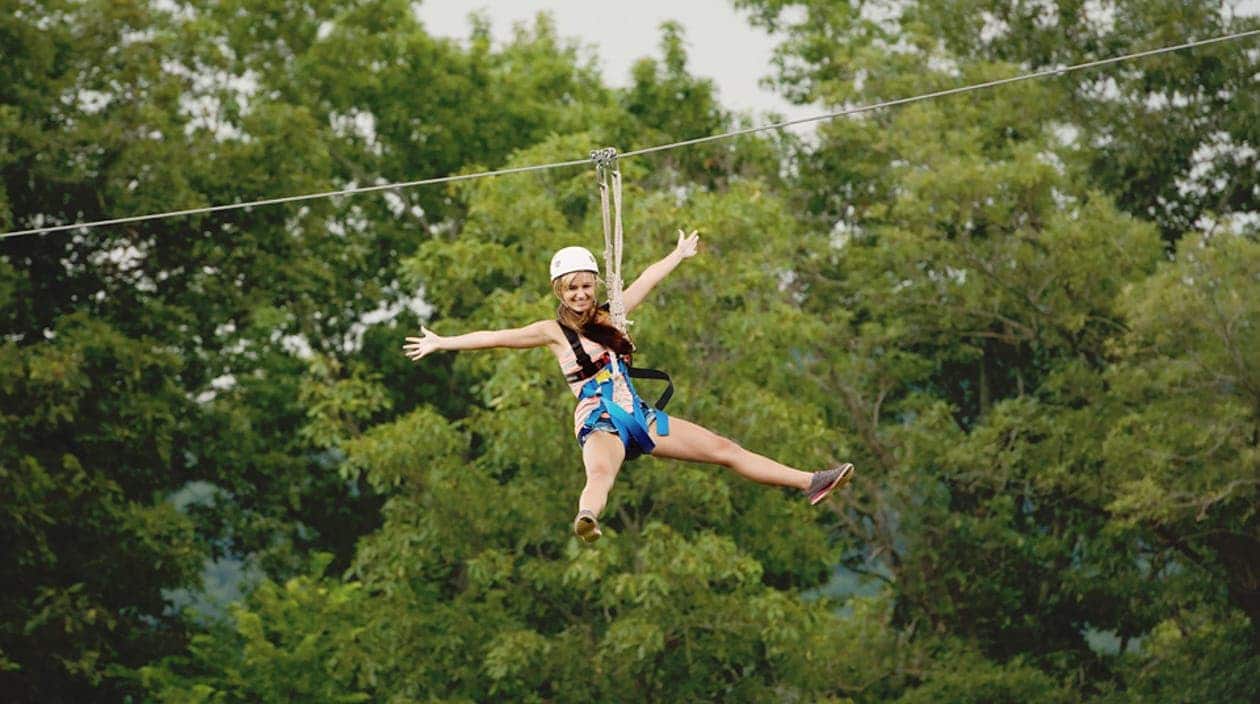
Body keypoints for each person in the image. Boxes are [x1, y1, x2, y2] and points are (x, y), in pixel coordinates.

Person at [403, 230, 854, 543]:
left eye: (585, 286)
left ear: (593, 285)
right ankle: (587, 517)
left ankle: (811, 481)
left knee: (722, 448)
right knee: (600, 474)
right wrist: (443, 342)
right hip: (600, 418)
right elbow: (496, 338)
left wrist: (677, 255)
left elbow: (645, 281)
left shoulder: (610, 316)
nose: (580, 294)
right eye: (571, 289)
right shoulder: (551, 331)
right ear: (559, 292)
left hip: (640, 414)